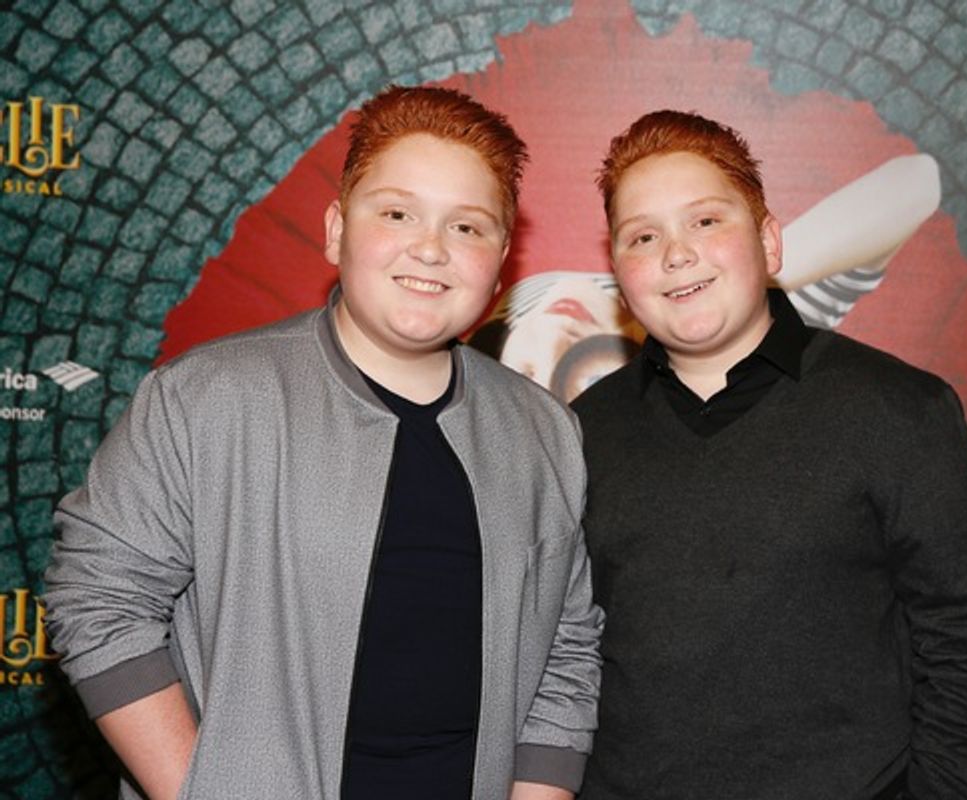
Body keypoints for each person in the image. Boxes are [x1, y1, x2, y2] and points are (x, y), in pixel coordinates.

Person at [43, 85, 603, 800]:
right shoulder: (204, 396)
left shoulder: (544, 432)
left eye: (468, 227)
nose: (430, 248)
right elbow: (98, 598)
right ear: (338, 229)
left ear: (501, 260)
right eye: (397, 212)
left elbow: (565, 651)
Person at [572, 110, 967, 799]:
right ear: (619, 275)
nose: (676, 253)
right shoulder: (580, 432)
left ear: (770, 242)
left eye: (705, 221)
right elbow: (561, 657)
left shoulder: (899, 411)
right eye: (643, 236)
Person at [471, 154, 940, 402]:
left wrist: (749, 270)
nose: (677, 254)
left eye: (705, 222)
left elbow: (917, 180)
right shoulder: (758, 359)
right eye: (590, 378)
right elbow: (915, 186)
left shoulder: (517, 314)